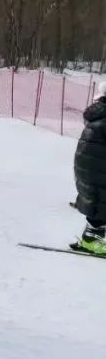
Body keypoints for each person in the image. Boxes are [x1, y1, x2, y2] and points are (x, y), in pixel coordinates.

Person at [73, 81, 106, 256]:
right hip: (97, 172)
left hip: (88, 170)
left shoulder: (97, 115)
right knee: (101, 206)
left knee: (98, 206)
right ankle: (92, 242)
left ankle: (90, 238)